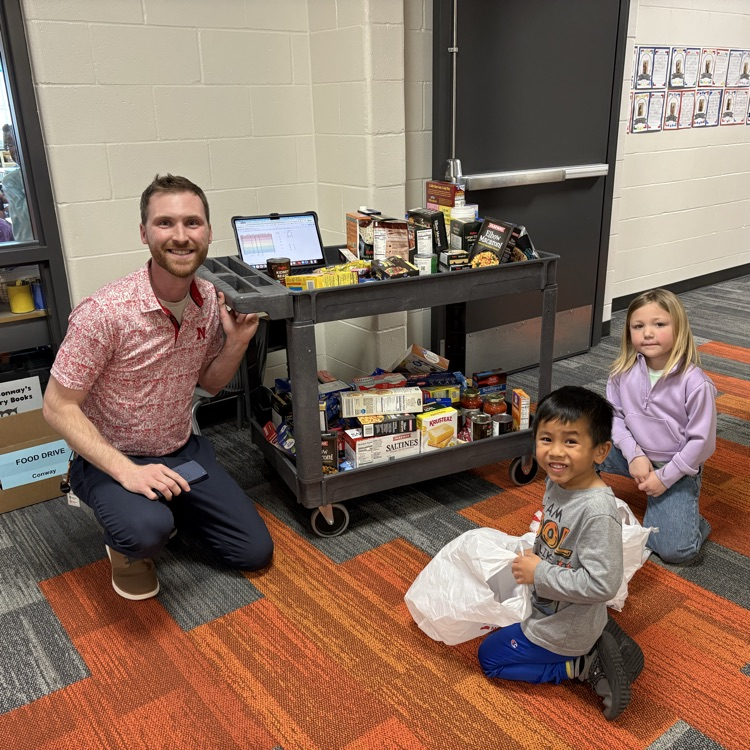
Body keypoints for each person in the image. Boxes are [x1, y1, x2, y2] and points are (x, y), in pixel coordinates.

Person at [43, 173, 274, 601]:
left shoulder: (208, 301)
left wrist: (238, 341)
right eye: (165, 223)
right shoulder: (105, 313)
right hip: (112, 456)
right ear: (144, 232)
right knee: (145, 531)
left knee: (253, 552)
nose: (181, 236)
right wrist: (127, 472)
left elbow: (209, 382)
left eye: (193, 222)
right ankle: (130, 533)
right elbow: (57, 406)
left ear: (208, 230)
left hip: (181, 448)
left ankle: (164, 502)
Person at [478, 386, 642, 721]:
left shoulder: (597, 511)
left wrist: (539, 573)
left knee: (489, 659)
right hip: (553, 604)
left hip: (562, 626)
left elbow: (603, 585)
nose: (555, 453)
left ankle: (579, 665)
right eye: (546, 439)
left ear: (600, 452)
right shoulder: (559, 481)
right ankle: (597, 631)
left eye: (570, 441)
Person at [599, 289, 716, 565]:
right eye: (638, 326)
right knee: (576, 448)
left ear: (679, 328)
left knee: (677, 553)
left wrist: (664, 479)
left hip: (674, 465)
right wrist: (634, 454)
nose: (647, 333)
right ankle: (580, 508)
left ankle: (692, 520)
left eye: (659, 324)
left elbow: (701, 443)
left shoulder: (696, 383)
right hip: (633, 454)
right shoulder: (621, 373)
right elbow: (613, 417)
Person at [2, 125, 32, 242]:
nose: (17, 149)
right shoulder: (11, 180)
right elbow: (27, 214)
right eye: (11, 145)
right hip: (30, 244)